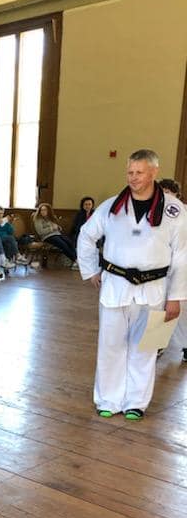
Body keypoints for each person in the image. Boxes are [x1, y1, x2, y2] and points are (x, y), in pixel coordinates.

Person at [78, 149, 187, 420]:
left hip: (155, 288)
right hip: (115, 285)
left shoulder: (174, 210)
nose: (133, 177)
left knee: (146, 348)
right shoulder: (111, 206)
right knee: (110, 344)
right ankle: (108, 399)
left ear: (154, 172)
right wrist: (91, 270)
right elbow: (86, 235)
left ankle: (136, 402)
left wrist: (176, 297)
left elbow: (182, 255)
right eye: (130, 172)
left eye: (139, 172)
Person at [157, 178, 187, 363]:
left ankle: (186, 345)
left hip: (182, 266)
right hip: (161, 267)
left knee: (181, 309)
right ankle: (158, 343)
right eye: (162, 191)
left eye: (168, 191)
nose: (165, 195)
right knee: (160, 307)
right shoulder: (155, 212)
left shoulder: (183, 211)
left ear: (177, 194)